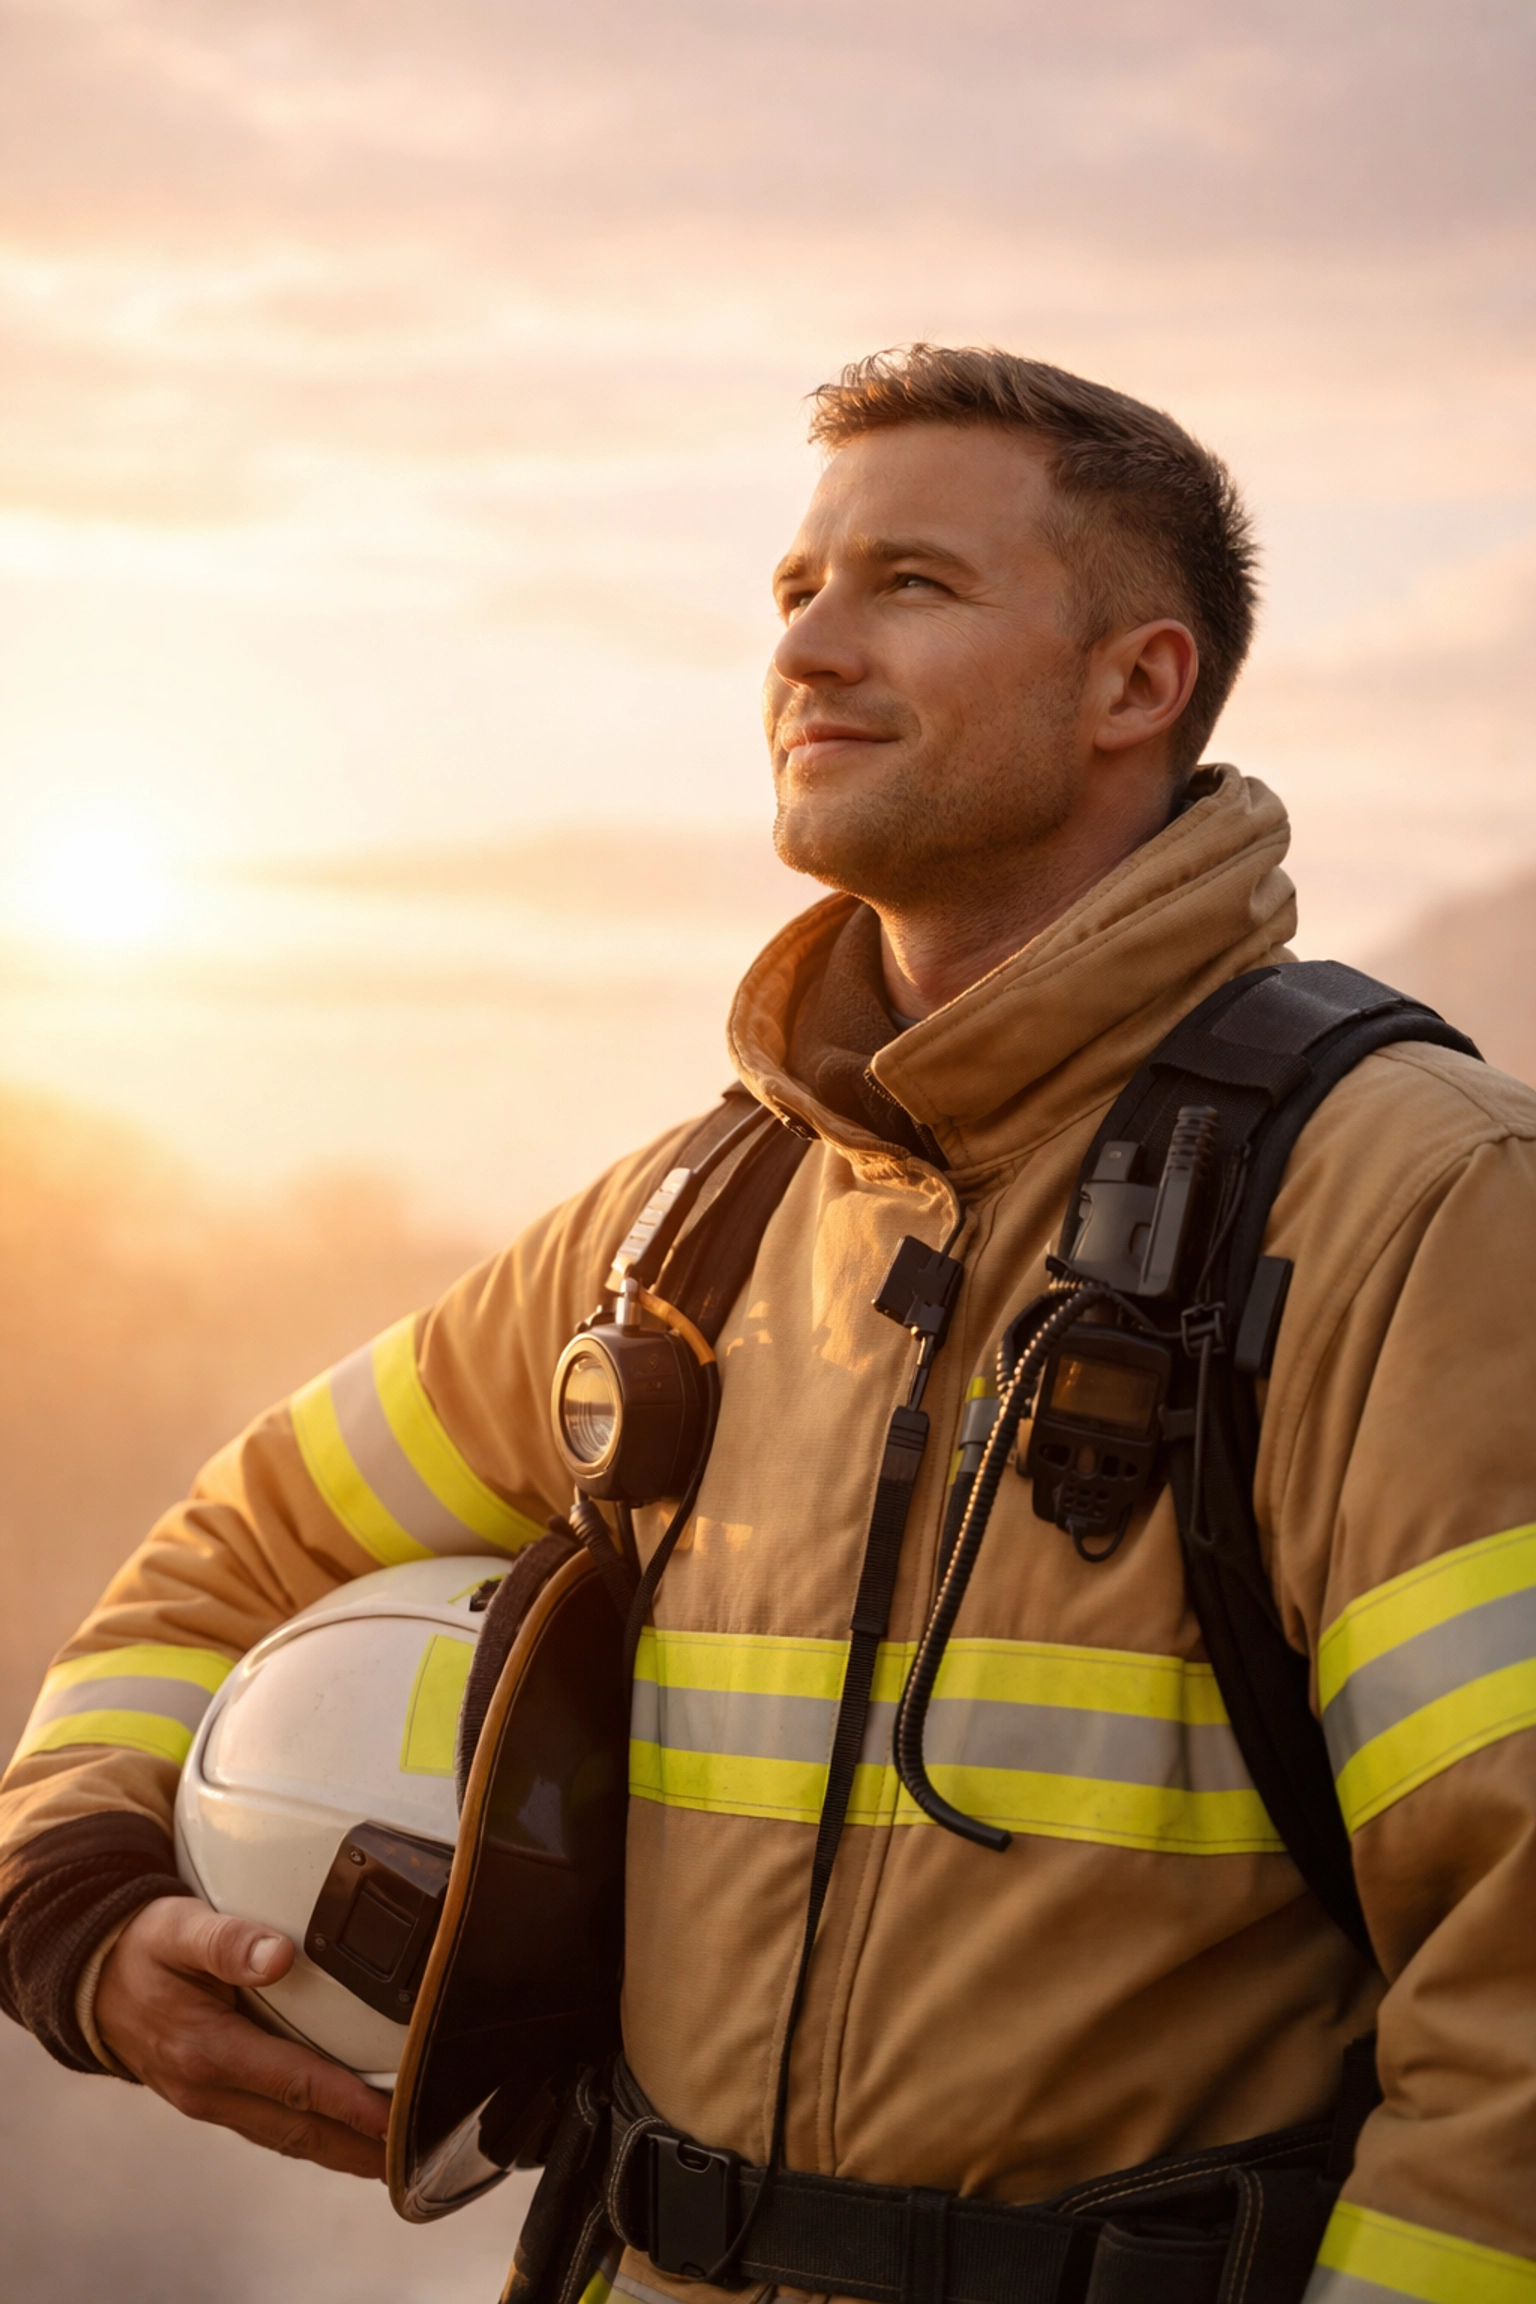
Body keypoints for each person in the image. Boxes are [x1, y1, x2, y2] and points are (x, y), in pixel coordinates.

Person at [4, 345, 1535, 2304]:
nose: (808, 647)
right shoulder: (687, 1230)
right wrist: (74, 1908)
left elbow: (1515, 2003)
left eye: (912, 583)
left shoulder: (1416, 1208)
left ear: (1135, 685)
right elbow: (241, 1547)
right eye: (796, 589)